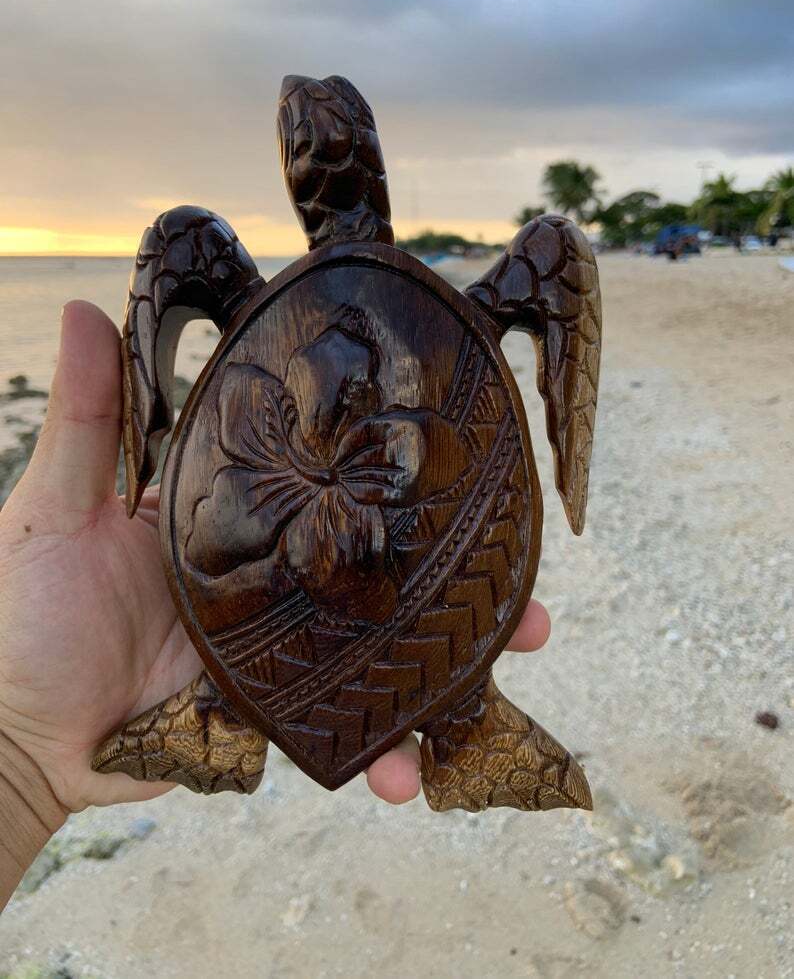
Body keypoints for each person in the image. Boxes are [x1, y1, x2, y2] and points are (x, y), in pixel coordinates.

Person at [0, 302, 553, 910]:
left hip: (310, 517)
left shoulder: (366, 441)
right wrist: (17, 755)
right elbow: (214, 541)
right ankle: (460, 729)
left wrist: (19, 760)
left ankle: (461, 724)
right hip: (293, 519)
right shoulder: (257, 404)